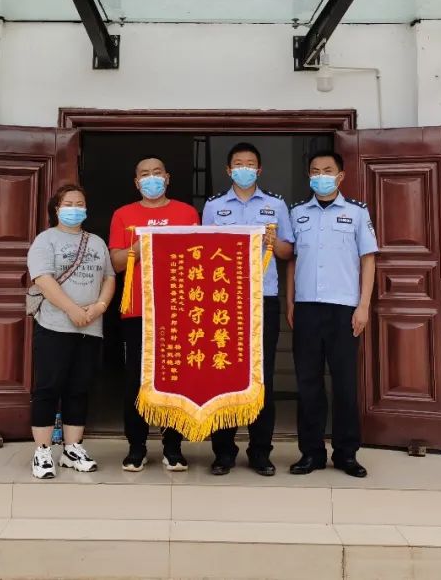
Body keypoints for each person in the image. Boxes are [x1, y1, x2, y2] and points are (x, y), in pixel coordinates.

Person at [202, 142, 294, 477]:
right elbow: (202, 250)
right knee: (223, 373)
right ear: (229, 170)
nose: (244, 169)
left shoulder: (275, 205)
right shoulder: (214, 206)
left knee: (261, 377)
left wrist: (274, 243)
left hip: (262, 298)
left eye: (250, 163)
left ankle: (260, 452)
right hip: (223, 299)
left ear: (259, 169)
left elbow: (287, 252)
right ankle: (223, 452)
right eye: (238, 164)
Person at [286, 151, 377, 478]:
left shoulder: (356, 212)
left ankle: (346, 453)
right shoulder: (297, 213)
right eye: (315, 171)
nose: (320, 175)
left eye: (327, 170)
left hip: (343, 309)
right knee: (308, 384)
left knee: (345, 384)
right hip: (307, 308)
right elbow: (292, 260)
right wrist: (290, 302)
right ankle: (311, 452)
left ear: (340, 176)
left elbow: (368, 259)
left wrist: (363, 306)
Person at [108, 155, 200, 472]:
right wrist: (138, 248)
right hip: (137, 310)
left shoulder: (187, 213)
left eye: (157, 172)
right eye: (144, 174)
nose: (151, 178)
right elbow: (116, 262)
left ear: (167, 177)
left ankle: (173, 447)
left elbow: (197, 256)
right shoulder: (123, 215)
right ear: (137, 183)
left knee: (174, 379)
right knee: (136, 381)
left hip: (177, 309)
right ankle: (136, 447)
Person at [26, 183, 115, 479]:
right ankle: (42, 451)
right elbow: (43, 279)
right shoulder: (46, 240)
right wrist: (72, 309)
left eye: (80, 204)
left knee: (79, 388)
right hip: (54, 325)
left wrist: (100, 306)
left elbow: (109, 277)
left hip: (90, 328)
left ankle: (72, 448)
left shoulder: (96, 242)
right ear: (57, 209)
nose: (75, 209)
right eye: (69, 204)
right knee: (48, 388)